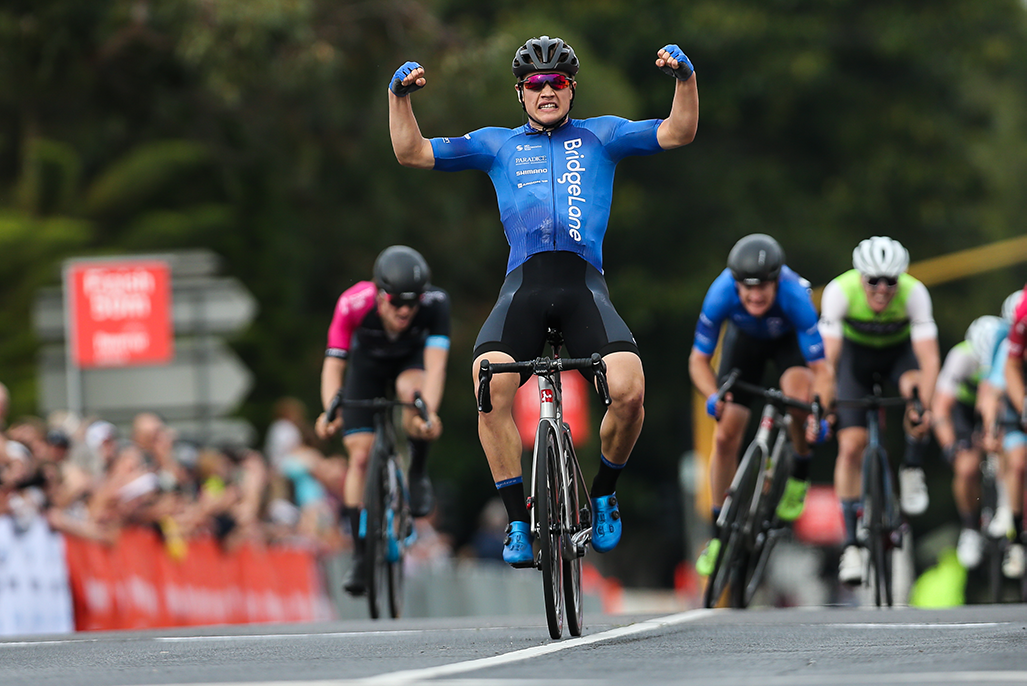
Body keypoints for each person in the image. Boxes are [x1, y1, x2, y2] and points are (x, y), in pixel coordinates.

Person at [388, 35, 699, 565]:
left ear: (571, 90)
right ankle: (515, 519)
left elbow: (678, 131)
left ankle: (603, 494)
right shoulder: (497, 145)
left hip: (584, 288)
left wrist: (685, 81)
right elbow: (411, 152)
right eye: (536, 83)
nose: (547, 91)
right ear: (521, 93)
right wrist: (399, 97)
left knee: (628, 391)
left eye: (557, 82)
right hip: (524, 290)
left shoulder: (603, 136)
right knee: (487, 382)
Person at [689, 234, 835, 575]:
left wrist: (819, 411)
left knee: (799, 400)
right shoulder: (720, 293)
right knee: (725, 436)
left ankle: (799, 471)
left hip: (788, 345)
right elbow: (698, 361)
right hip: (745, 346)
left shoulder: (795, 296)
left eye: (763, 288)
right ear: (736, 284)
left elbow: (822, 369)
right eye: (747, 289)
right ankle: (719, 534)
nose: (755, 296)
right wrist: (713, 396)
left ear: (776, 281)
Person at [315, 245, 450, 595]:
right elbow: (334, 364)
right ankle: (360, 555)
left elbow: (435, 366)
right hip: (367, 368)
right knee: (359, 456)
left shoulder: (436, 304)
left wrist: (428, 413)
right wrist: (330, 409)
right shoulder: (352, 303)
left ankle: (417, 472)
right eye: (396, 302)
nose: (405, 310)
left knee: (412, 396)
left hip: (410, 366)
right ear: (379, 294)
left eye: (412, 302)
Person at [818, 236, 939, 586]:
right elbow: (829, 358)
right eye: (874, 281)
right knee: (852, 445)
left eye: (891, 281)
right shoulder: (840, 292)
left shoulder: (915, 294)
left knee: (915, 394)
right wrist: (826, 402)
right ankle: (852, 546)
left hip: (899, 359)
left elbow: (929, 358)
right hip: (853, 363)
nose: (883, 289)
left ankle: (912, 467)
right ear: (860, 277)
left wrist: (923, 407)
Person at [931, 315, 1003, 569]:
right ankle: (971, 528)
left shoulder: (1005, 352)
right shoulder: (960, 357)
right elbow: (940, 408)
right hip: (963, 411)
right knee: (966, 468)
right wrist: (950, 445)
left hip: (997, 406)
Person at [1001, 284, 1027, 577]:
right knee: (1018, 462)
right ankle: (1017, 538)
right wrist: (1023, 408)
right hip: (1020, 380)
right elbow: (1009, 369)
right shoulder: (1023, 312)